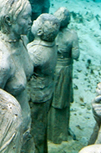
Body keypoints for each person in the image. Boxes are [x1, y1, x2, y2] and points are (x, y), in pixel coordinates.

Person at [0, 0, 35, 152]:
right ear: (8, 20)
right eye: (26, 17)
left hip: (25, 121)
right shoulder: (1, 61)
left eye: (31, 16)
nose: (31, 22)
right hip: (9, 131)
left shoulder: (22, 40)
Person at [27, 14, 60, 153]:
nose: (33, 21)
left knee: (34, 131)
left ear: (40, 32)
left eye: (36, 22)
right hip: (46, 92)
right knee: (41, 126)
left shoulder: (35, 51)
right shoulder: (52, 45)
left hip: (35, 96)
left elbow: (24, 69)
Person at [48, 7, 80, 144]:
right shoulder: (72, 35)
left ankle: (50, 132)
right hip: (64, 71)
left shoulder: (51, 33)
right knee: (61, 102)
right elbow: (76, 55)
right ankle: (59, 133)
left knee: (51, 100)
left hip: (51, 69)